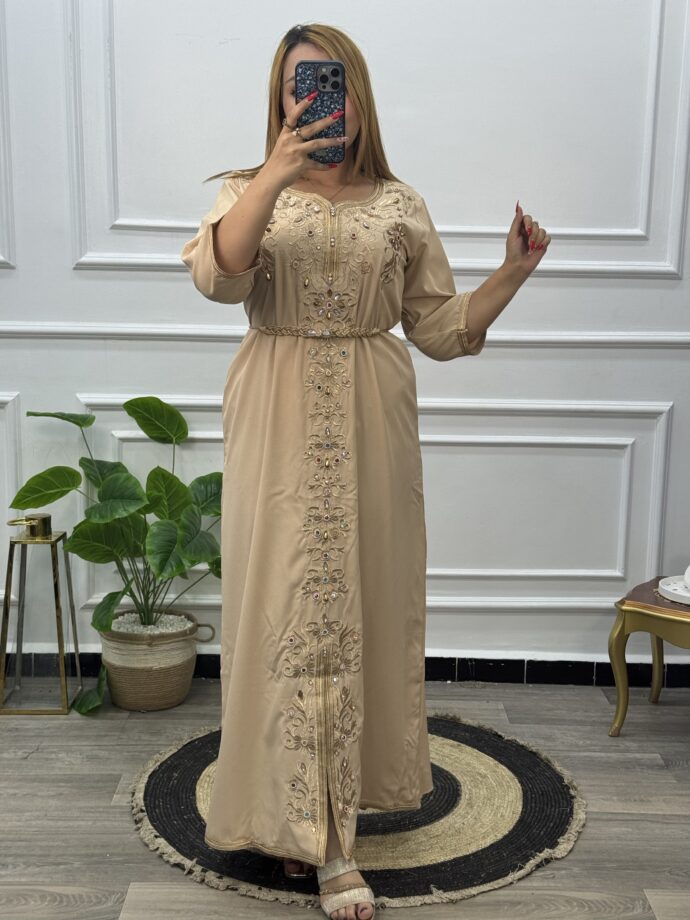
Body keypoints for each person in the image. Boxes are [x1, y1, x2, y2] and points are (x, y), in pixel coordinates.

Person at [180, 22, 550, 920]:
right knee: (282, 607)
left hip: (373, 414)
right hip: (274, 409)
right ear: (279, 97)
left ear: (359, 92)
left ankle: (334, 835)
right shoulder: (246, 189)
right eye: (298, 83)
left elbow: (439, 329)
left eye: (331, 81)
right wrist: (276, 172)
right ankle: (296, 822)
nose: (315, 96)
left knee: (361, 605)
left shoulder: (398, 203)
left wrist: (513, 273)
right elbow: (221, 277)